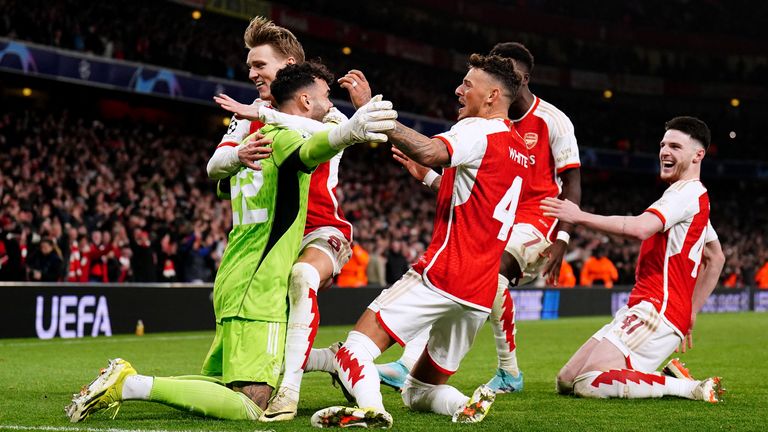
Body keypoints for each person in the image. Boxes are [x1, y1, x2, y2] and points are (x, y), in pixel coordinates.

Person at [65, 62, 398, 423]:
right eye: (325, 98)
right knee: (253, 403)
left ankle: (131, 382)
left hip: (232, 279)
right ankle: (132, 384)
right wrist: (350, 131)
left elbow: (218, 173)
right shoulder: (283, 140)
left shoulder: (244, 149)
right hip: (262, 288)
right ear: (304, 100)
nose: (329, 105)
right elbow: (317, 146)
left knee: (222, 384)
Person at [311, 53, 528, 428]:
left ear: (492, 96)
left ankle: (369, 408)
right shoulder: (520, 151)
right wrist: (429, 178)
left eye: (467, 85)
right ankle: (463, 404)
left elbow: (429, 149)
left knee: (355, 348)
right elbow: (477, 199)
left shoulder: (478, 129)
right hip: (478, 293)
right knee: (418, 391)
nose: (458, 90)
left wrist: (371, 110)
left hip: (443, 274)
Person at [376, 42, 581, 394]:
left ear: (523, 79)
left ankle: (503, 371)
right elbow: (474, 191)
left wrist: (562, 239)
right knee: (457, 274)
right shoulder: (482, 124)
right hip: (497, 220)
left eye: (509, 72)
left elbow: (573, 184)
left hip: (538, 220)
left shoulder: (552, 120)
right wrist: (427, 177)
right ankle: (492, 372)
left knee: (490, 273)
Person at [208, 17, 357, 421]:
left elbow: (332, 132)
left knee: (303, 278)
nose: (252, 74)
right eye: (250, 67)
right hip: (272, 239)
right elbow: (213, 166)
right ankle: (332, 361)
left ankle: (289, 391)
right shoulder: (246, 115)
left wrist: (266, 116)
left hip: (320, 231)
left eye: (259, 65)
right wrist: (237, 155)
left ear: (288, 63)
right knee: (272, 337)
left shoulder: (323, 109)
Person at [540, 116, 726, 402]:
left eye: (675, 146)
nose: (665, 151)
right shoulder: (691, 197)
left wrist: (577, 216)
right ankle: (670, 377)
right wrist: (691, 311)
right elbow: (716, 257)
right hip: (642, 307)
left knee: (589, 383)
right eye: (663, 145)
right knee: (566, 380)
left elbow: (640, 228)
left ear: (697, 155)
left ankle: (687, 387)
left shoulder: (686, 194)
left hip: (658, 311)